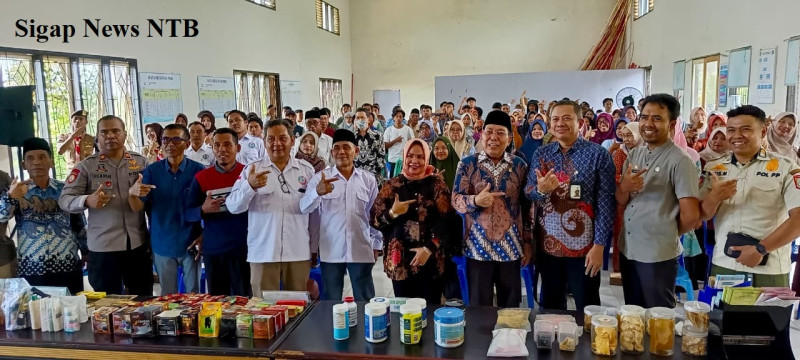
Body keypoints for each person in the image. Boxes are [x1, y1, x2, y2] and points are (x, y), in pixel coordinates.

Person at [696, 106, 800, 291]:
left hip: (770, 269)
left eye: (745, 129)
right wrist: (715, 197)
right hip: (725, 264)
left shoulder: (785, 167)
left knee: (767, 320)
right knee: (723, 319)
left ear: (763, 131)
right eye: (731, 130)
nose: (737, 135)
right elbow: (702, 215)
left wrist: (761, 249)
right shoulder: (715, 168)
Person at [525, 101, 615, 312]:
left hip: (585, 250)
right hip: (549, 248)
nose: (560, 123)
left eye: (566, 118)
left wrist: (600, 245)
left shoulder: (598, 155)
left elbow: (605, 203)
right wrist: (541, 190)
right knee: (551, 309)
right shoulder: (542, 155)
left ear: (580, 122)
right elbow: (529, 192)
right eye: (555, 119)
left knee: (587, 307)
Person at [616, 94, 700, 308]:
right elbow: (621, 200)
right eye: (644, 117)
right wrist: (624, 187)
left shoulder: (680, 161)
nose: (648, 124)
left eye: (657, 118)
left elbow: (691, 217)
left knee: (658, 315)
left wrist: (663, 232)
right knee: (632, 312)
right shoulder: (635, 154)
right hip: (629, 247)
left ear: (672, 124)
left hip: (657, 253)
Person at [59, 115, 153, 296]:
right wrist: (87, 200)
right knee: (107, 304)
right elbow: (65, 199)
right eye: (104, 132)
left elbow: (153, 199)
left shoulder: (141, 163)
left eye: (116, 131)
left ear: (125, 134)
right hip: (103, 249)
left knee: (143, 300)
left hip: (137, 245)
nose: (110, 136)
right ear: (97, 137)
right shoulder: (86, 167)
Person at [226, 119, 317, 295]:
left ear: (292, 140)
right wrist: (249, 187)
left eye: (282, 138)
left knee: (297, 307)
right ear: (264, 141)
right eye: (271, 139)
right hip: (263, 252)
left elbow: (314, 215)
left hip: (297, 251)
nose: (277, 144)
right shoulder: (252, 169)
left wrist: (314, 248)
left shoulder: (306, 170)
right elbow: (233, 206)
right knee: (263, 312)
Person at [452, 111, 531, 307]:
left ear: (509, 138)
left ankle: (510, 339)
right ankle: (481, 339)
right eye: (489, 132)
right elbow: (455, 199)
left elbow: (528, 206)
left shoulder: (519, 166)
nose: (493, 137)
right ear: (482, 134)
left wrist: (528, 243)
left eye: (500, 133)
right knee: (479, 309)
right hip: (477, 249)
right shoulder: (468, 164)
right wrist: (475, 200)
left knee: (510, 309)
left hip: (511, 248)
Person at [300, 129, 380, 301]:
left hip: (361, 247)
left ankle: (367, 327)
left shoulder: (368, 180)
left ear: (356, 151)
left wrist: (377, 243)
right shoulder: (320, 178)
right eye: (336, 148)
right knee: (331, 299)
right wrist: (317, 192)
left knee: (365, 299)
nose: (341, 152)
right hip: (331, 249)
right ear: (331, 152)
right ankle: (332, 328)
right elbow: (304, 208)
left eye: (346, 147)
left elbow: (375, 215)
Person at [0, 138, 87, 294]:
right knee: (37, 314)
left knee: (72, 314)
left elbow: (79, 223)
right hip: (32, 268)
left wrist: (87, 252)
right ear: (23, 165)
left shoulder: (65, 189)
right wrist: (10, 197)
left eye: (42, 157)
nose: (37, 162)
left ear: (51, 162)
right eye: (30, 158)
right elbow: (1, 217)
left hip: (68, 265)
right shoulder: (18, 191)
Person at [370, 139, 451, 305]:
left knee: (430, 310)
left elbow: (448, 221)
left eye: (420, 157)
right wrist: (392, 212)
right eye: (410, 156)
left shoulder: (437, 185)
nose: (415, 161)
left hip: (431, 260)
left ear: (427, 158)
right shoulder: (392, 186)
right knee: (405, 314)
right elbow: (374, 220)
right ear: (404, 157)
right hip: (400, 263)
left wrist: (429, 247)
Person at [130, 124, 204, 295]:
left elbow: (208, 208)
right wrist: (132, 194)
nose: (170, 144)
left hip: (191, 242)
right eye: (165, 139)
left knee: (194, 294)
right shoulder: (152, 171)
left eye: (176, 139)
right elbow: (138, 207)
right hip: (162, 242)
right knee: (168, 297)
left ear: (186, 144)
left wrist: (204, 234)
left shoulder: (198, 171)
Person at [187, 128, 251, 296]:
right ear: (212, 148)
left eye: (228, 144)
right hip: (214, 250)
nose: (222, 149)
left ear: (238, 148)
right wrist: (202, 210)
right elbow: (187, 212)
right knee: (217, 302)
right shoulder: (202, 177)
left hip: (245, 249)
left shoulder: (248, 174)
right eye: (217, 145)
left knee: (244, 301)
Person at [610, 122, 643, 271]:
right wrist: (626, 182)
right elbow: (615, 174)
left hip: (642, 196)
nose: (626, 139)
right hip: (623, 195)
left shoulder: (645, 153)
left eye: (630, 135)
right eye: (624, 136)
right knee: (622, 231)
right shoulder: (620, 153)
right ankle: (619, 267)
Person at [353, 108, 386, 185]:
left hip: (374, 178)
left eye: (362, 117)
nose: (360, 120)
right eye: (357, 118)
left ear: (368, 119)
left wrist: (371, 176)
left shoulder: (378, 136)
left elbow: (381, 158)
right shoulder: (351, 137)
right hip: (356, 178)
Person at [383, 109, 415, 176]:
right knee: (393, 181)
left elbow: (413, 142)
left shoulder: (408, 129)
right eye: (397, 116)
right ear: (393, 118)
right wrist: (395, 140)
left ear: (403, 118)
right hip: (392, 159)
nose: (398, 118)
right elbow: (385, 145)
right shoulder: (388, 130)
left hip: (404, 160)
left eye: (400, 117)